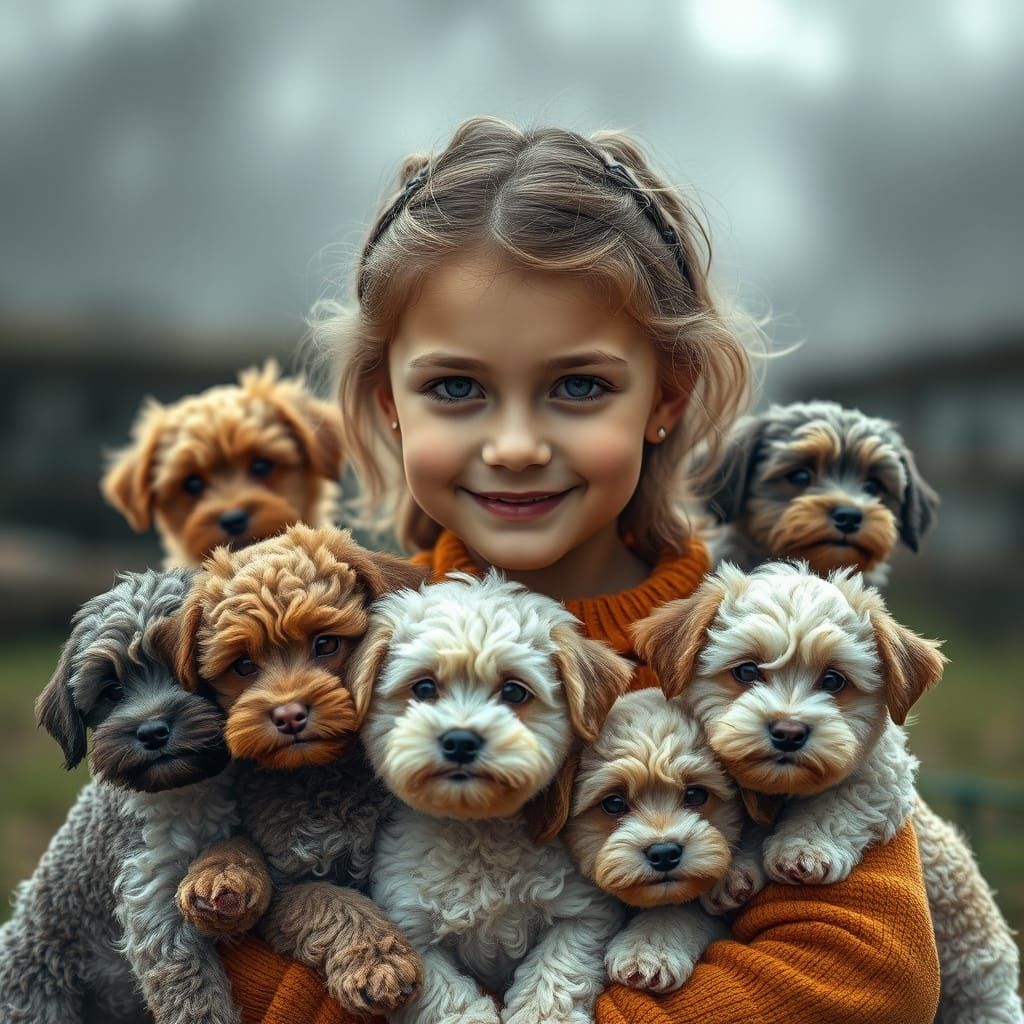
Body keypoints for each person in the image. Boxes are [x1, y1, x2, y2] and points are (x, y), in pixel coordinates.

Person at [220, 116, 940, 1024]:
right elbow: (209, 925)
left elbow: (866, 975)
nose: (516, 446)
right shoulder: (334, 647)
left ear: (667, 394)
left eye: (578, 386)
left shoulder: (761, 648)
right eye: (455, 388)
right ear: (385, 402)